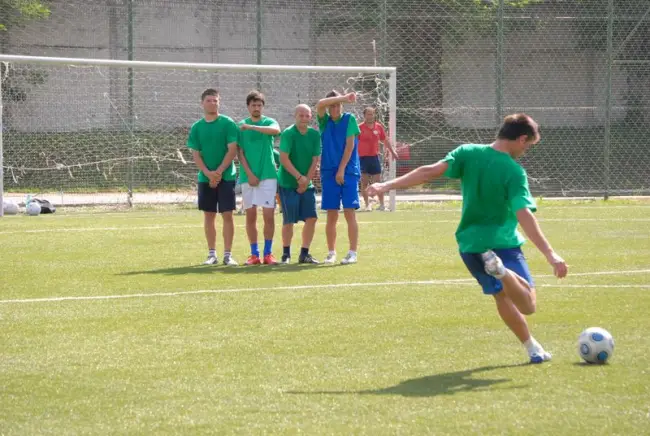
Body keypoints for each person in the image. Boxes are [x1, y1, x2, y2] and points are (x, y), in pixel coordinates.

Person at [368, 113, 568, 364]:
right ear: (520, 139)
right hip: (503, 243)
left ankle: (531, 347)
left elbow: (428, 172)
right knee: (527, 304)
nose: (526, 151)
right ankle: (503, 272)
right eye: (528, 146)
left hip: (471, 245)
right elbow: (524, 214)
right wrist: (551, 254)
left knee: (502, 296)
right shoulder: (514, 172)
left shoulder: (467, 152)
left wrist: (386, 185)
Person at [186, 88, 239, 266]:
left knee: (227, 215)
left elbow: (232, 150)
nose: (213, 103)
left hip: (226, 177)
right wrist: (208, 173)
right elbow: (196, 154)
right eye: (209, 100)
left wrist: (219, 172)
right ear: (202, 103)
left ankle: (227, 254)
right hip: (205, 178)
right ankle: (211, 254)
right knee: (209, 215)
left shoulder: (228, 123)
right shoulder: (197, 127)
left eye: (216, 100)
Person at [316, 90, 360, 265]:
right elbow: (319, 104)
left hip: (348, 171)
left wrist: (341, 169)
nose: (335, 108)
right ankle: (331, 252)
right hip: (328, 172)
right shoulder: (324, 121)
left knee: (349, 212)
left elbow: (349, 147)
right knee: (331, 214)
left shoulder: (349, 119)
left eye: (338, 105)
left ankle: (352, 252)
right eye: (331, 105)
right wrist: (343, 97)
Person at [238, 90, 282, 265]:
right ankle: (254, 254)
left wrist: (253, 127)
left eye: (259, 105)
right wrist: (249, 174)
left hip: (268, 175)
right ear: (248, 106)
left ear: (263, 107)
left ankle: (268, 254)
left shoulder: (269, 122)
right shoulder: (240, 126)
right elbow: (239, 153)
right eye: (253, 105)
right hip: (248, 177)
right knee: (250, 216)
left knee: (269, 216)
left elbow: (276, 130)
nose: (256, 107)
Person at [277, 104, 321, 265]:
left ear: (311, 117)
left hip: (306, 185)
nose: (304, 118)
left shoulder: (315, 135)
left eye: (307, 115)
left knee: (311, 218)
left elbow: (315, 159)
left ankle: (304, 253)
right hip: (288, 184)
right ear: (295, 116)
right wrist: (299, 178)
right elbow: (283, 159)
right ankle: (286, 254)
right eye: (301, 115)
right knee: (288, 221)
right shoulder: (288, 134)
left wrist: (306, 181)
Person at [357, 106, 398, 211]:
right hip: (363, 159)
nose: (370, 116)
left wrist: (392, 152)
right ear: (364, 115)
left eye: (372, 114)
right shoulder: (359, 128)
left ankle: (382, 205)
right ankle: (367, 205)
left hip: (374, 158)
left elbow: (385, 140)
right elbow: (352, 143)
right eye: (368, 114)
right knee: (364, 182)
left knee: (378, 182)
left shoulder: (378, 127)